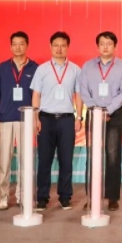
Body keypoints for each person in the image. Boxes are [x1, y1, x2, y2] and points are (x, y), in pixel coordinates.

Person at [31, 31, 83, 211]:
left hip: (67, 120)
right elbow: (36, 95)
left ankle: (65, 196)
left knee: (66, 160)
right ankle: (42, 197)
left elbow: (79, 95)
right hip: (46, 119)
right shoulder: (42, 69)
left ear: (68, 47)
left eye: (63, 45)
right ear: (50, 47)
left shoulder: (76, 69)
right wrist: (35, 118)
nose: (59, 49)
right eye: (56, 45)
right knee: (44, 160)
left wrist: (79, 117)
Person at [79, 31, 122, 211]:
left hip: (114, 115)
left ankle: (112, 197)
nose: (105, 47)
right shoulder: (88, 66)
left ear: (115, 46)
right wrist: (96, 110)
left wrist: (108, 110)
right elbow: (83, 91)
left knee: (113, 156)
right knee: (92, 156)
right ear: (97, 46)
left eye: (109, 43)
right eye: (102, 43)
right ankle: (91, 196)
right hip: (93, 114)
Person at [0, 31, 38, 210]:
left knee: (25, 161)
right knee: (4, 161)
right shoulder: (2, 68)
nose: (18, 47)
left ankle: (23, 196)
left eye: (21, 43)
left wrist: (36, 118)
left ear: (27, 45)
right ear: (11, 46)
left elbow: (37, 96)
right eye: (15, 44)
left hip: (26, 119)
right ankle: (3, 197)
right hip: (5, 118)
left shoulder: (35, 68)